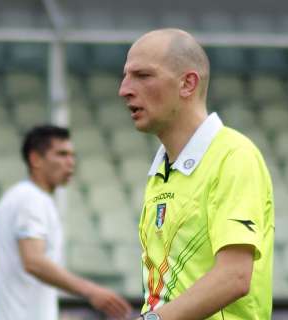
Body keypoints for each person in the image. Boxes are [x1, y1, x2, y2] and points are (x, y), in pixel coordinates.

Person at [118, 28, 275, 320]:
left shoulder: (233, 156)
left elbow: (234, 277)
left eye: (143, 76)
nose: (124, 89)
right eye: (126, 76)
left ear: (188, 84)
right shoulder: (161, 172)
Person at [0, 125, 132, 320]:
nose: (70, 162)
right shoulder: (30, 199)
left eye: (72, 155)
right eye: (62, 154)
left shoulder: (24, 197)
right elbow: (33, 261)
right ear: (35, 159)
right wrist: (90, 290)